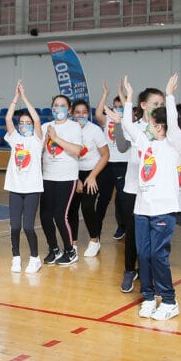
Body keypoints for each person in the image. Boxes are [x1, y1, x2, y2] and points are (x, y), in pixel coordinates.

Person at [108, 74, 181, 320]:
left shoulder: (173, 145)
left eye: (153, 124)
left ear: (163, 127)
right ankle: (149, 297)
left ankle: (170, 301)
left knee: (157, 255)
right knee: (144, 254)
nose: (149, 127)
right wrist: (128, 98)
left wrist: (169, 95)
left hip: (163, 210)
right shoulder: (145, 144)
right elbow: (129, 126)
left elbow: (171, 120)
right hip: (142, 209)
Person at [113, 83, 165, 293]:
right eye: (155, 103)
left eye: (162, 104)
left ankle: (149, 273)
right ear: (143, 105)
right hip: (132, 188)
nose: (158, 106)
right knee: (132, 233)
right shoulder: (133, 125)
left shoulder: (164, 129)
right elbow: (122, 147)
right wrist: (119, 122)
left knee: (152, 236)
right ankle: (129, 270)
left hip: (153, 190)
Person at [4, 80, 44, 274]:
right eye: (23, 123)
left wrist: (25, 98)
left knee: (28, 226)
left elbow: (37, 120)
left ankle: (35, 258)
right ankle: (16, 257)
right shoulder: (15, 138)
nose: (26, 125)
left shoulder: (37, 140)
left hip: (32, 189)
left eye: (28, 123)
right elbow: (8, 119)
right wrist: (15, 98)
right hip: (15, 188)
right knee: (14, 227)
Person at [41, 94, 83, 266]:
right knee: (44, 216)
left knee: (60, 215)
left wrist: (56, 138)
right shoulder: (45, 126)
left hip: (66, 177)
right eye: (56, 105)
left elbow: (77, 151)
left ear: (69, 109)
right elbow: (40, 150)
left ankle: (70, 250)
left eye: (62, 105)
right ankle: (54, 249)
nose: (58, 108)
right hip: (47, 176)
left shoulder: (74, 127)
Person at [69, 98, 108, 258]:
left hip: (94, 172)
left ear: (89, 114)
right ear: (72, 113)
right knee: (71, 208)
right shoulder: (68, 130)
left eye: (84, 112)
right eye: (77, 112)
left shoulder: (95, 130)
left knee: (87, 206)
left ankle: (94, 240)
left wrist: (92, 176)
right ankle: (73, 244)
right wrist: (75, 178)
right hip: (73, 172)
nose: (81, 115)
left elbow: (105, 155)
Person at [93, 82, 127, 241]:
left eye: (121, 106)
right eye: (115, 106)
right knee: (103, 198)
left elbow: (127, 109)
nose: (117, 109)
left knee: (122, 198)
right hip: (107, 163)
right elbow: (98, 114)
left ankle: (123, 227)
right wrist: (105, 94)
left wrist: (122, 92)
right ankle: (96, 232)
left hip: (123, 164)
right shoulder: (107, 120)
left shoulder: (129, 120)